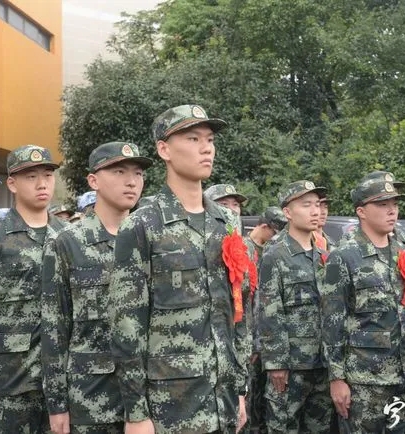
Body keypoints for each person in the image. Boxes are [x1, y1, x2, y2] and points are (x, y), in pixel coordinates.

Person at [109, 104, 248, 433]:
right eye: (193, 138)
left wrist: (240, 388)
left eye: (210, 139)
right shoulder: (143, 225)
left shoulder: (227, 222)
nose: (206, 148)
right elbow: (126, 326)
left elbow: (239, 310)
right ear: (164, 150)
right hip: (171, 406)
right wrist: (136, 414)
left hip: (224, 400)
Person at [41, 142, 153, 434]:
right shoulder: (67, 243)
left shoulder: (153, 240)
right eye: (119, 172)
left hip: (154, 396)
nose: (131, 181)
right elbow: (54, 329)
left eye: (138, 173)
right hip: (93, 399)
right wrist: (57, 404)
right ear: (93, 181)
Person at [0, 145, 66, 433]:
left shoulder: (68, 236)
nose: (42, 183)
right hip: (9, 378)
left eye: (47, 175)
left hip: (61, 379)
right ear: (12, 183)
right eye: (31, 176)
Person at [320, 171, 405, 433]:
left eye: (395, 204)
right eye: (382, 204)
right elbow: (333, 321)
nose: (392, 210)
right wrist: (337, 378)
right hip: (365, 379)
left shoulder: (403, 249)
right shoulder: (344, 256)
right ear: (361, 211)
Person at [255, 180, 333, 433]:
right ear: (288, 212)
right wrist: (276, 363)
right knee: (283, 426)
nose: (315, 211)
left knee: (319, 427)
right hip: (291, 365)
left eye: (317, 205)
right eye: (306, 205)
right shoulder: (275, 254)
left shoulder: (324, 254)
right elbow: (269, 311)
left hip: (322, 363)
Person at [244, 206, 287, 434]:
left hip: (268, 338)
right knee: (249, 395)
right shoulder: (244, 249)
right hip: (250, 336)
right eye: (274, 232)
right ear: (263, 227)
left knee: (265, 396)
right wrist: (253, 342)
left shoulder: (273, 251)